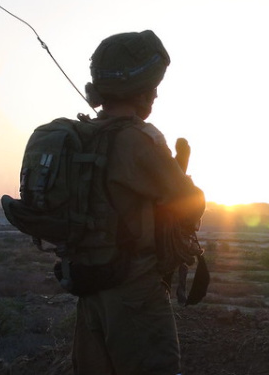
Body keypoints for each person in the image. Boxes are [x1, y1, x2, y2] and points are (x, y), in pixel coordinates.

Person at [71, 30, 205, 375]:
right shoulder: (140, 139)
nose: (156, 95)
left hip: (89, 288)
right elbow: (189, 205)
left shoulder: (80, 137)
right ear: (142, 89)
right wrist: (180, 174)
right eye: (154, 87)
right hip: (133, 292)